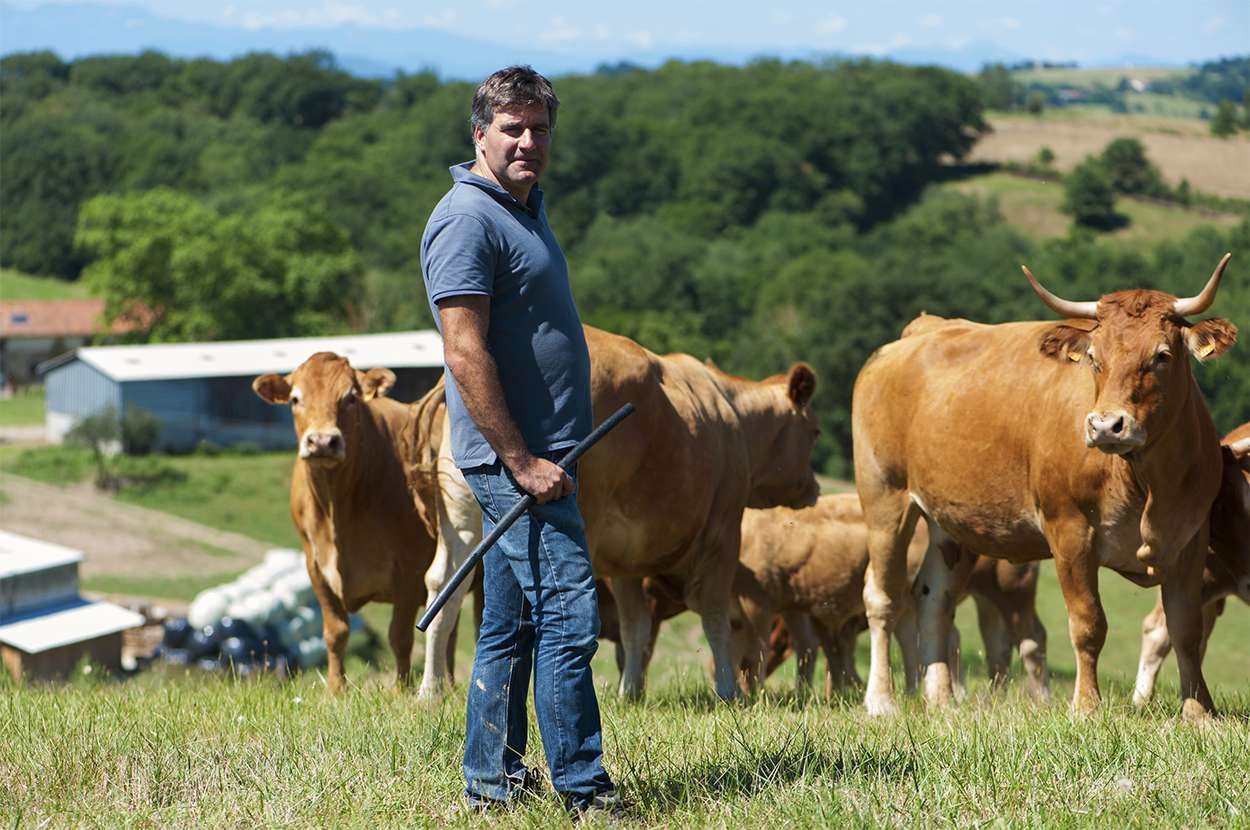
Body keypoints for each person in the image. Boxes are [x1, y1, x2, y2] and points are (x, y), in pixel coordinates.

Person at [419, 65, 618, 816]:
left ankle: (490, 786)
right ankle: (585, 791)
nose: (529, 141)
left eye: (539, 128)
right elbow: (464, 351)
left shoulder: (523, 207)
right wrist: (521, 459)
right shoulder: (466, 219)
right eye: (513, 128)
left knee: (511, 625)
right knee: (572, 618)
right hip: (518, 461)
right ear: (480, 134)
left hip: (548, 455)